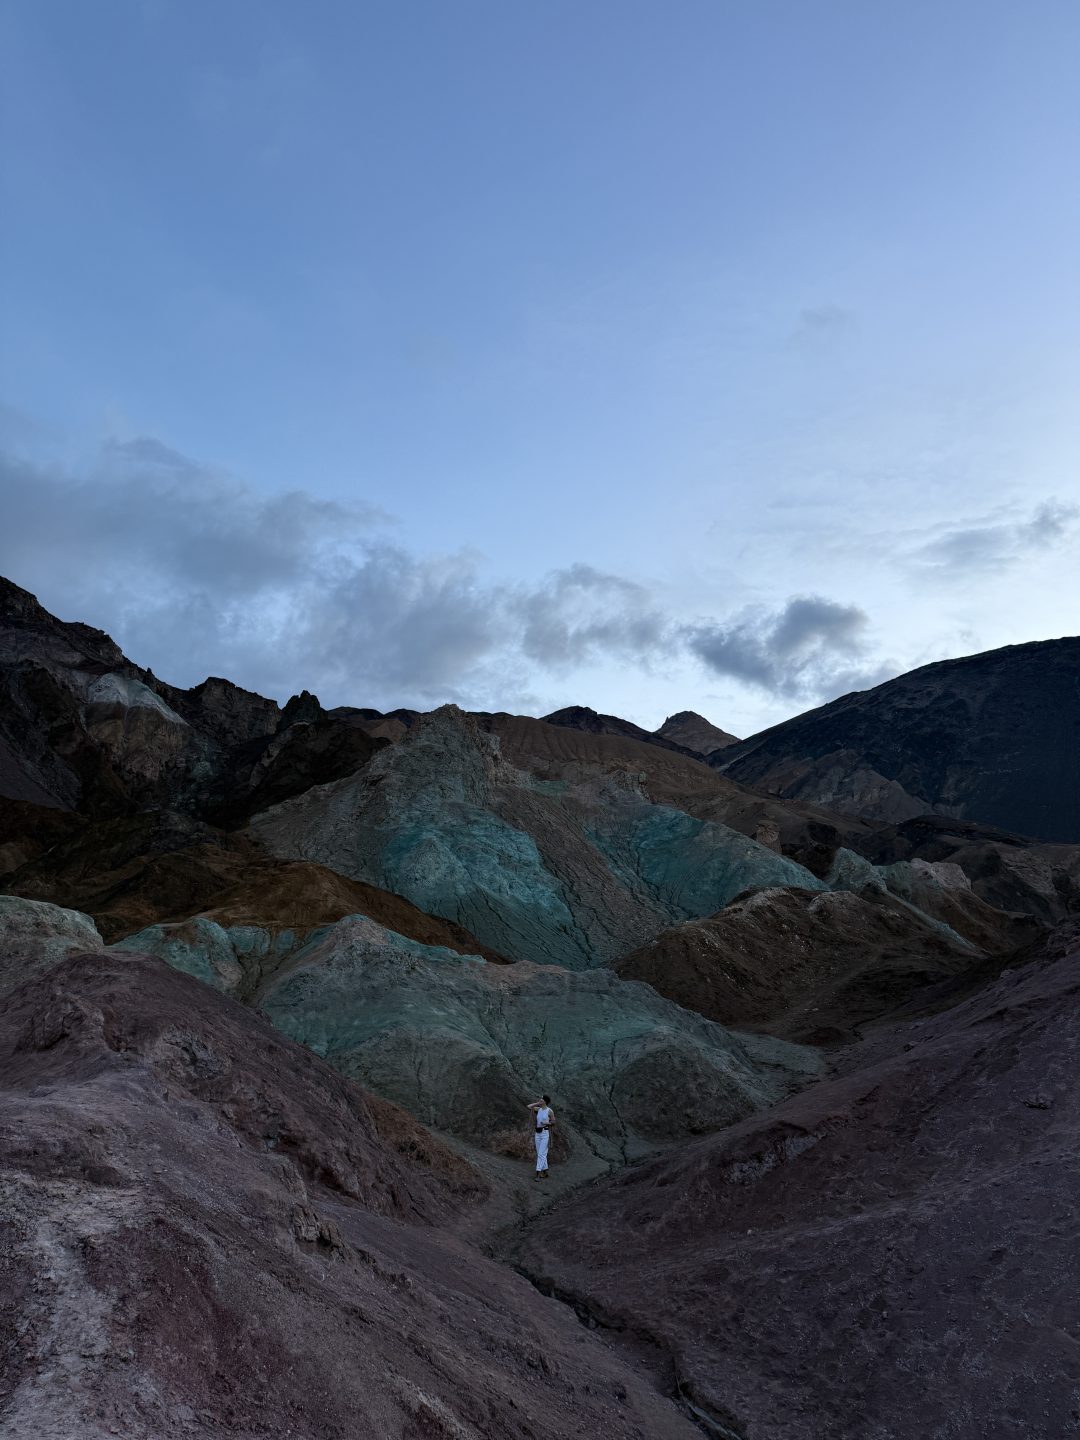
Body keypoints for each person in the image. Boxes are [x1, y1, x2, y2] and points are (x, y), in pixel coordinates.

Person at [527, 1095, 555, 1180]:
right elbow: (528, 1106)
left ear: (545, 1101)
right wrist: (537, 1103)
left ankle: (538, 1174)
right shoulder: (538, 1109)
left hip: (545, 1133)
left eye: (542, 1099)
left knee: (541, 1154)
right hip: (537, 1133)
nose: (540, 1099)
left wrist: (547, 1123)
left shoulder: (549, 1111)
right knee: (541, 1153)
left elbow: (553, 1121)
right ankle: (545, 1171)